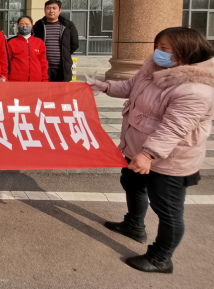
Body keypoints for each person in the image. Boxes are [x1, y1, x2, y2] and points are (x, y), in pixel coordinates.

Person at [87, 27, 214, 274]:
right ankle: (133, 225)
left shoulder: (195, 89)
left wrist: (148, 154)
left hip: (169, 160)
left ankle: (160, 258)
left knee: (167, 209)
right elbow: (130, 86)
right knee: (132, 185)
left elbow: (174, 128)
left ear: (186, 51)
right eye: (157, 47)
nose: (158, 52)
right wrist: (104, 86)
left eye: (164, 48)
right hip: (137, 149)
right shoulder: (152, 69)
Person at [33, 0, 79, 82]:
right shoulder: (38, 26)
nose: (51, 11)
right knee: (43, 89)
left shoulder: (68, 26)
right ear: (44, 10)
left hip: (62, 68)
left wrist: (65, 53)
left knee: (60, 89)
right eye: (48, 8)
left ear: (59, 10)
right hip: (42, 67)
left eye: (54, 8)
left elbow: (75, 44)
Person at [7, 16, 49, 82]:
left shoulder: (39, 42)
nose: (24, 26)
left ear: (31, 26)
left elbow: (43, 62)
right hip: (15, 80)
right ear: (18, 26)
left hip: (36, 80)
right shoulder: (11, 42)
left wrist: (45, 78)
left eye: (27, 24)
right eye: (21, 24)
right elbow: (6, 62)